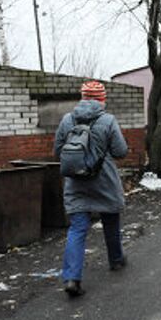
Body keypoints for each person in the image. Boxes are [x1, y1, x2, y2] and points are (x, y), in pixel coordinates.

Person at [54, 80, 129, 297]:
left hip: (76, 182)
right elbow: (120, 151)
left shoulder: (67, 119)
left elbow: (57, 151)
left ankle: (71, 279)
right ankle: (116, 260)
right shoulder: (108, 120)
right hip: (104, 180)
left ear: (82, 97)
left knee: (77, 229)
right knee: (111, 220)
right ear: (102, 99)